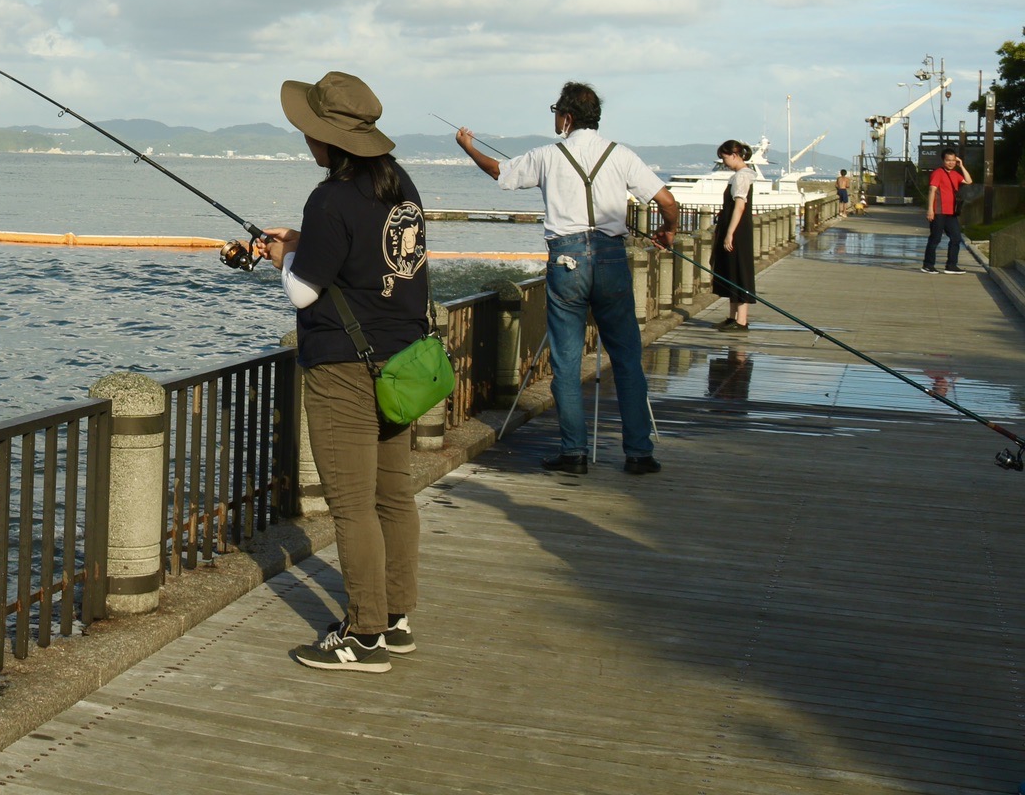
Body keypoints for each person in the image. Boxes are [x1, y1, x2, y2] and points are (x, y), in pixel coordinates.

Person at [255, 71, 425, 673]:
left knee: (352, 506)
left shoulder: (330, 196)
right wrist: (306, 241)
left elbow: (303, 293)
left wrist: (284, 254)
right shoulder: (398, 184)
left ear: (327, 138)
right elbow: (369, 256)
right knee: (394, 496)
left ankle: (365, 635)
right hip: (402, 365)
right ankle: (397, 620)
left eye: (310, 131)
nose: (307, 140)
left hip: (345, 370)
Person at [454, 82, 678, 476]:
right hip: (610, 258)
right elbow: (667, 202)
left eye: (556, 111)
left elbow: (497, 172)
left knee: (567, 362)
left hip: (567, 260)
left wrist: (468, 146)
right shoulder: (620, 154)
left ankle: (573, 452)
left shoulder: (547, 156)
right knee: (626, 360)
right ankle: (639, 454)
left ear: (568, 117)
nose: (555, 117)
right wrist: (668, 231)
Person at [711, 140, 757, 331]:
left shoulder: (742, 176)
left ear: (735, 155)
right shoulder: (739, 175)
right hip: (734, 226)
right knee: (731, 268)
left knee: (739, 269)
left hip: (738, 229)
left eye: (724, 157)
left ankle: (741, 320)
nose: (724, 162)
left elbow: (740, 205)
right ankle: (732, 317)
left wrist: (730, 233)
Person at [922, 148, 971, 275]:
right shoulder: (938, 173)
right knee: (935, 239)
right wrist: (930, 209)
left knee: (956, 238)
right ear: (943, 160)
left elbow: (969, 181)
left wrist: (962, 166)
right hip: (938, 211)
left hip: (951, 212)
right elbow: (932, 191)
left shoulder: (955, 174)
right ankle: (928, 265)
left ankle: (951, 265)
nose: (951, 163)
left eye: (953, 160)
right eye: (948, 160)